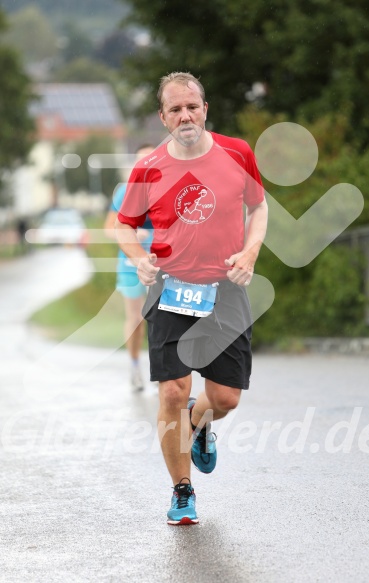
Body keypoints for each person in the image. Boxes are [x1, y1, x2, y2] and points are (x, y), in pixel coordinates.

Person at [115, 72, 268, 525]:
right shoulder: (148, 169)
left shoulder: (237, 153)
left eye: (192, 106)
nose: (186, 115)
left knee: (225, 398)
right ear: (163, 118)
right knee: (172, 393)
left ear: (205, 109)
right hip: (171, 287)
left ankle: (199, 424)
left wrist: (251, 251)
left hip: (225, 289)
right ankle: (182, 492)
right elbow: (125, 224)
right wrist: (139, 257)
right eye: (175, 109)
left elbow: (258, 207)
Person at [104, 145, 155, 391]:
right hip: (130, 264)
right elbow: (108, 228)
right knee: (136, 319)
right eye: (141, 162)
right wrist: (131, 234)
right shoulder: (124, 193)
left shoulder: (167, 191)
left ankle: (163, 371)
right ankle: (134, 365)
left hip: (160, 264)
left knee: (161, 318)